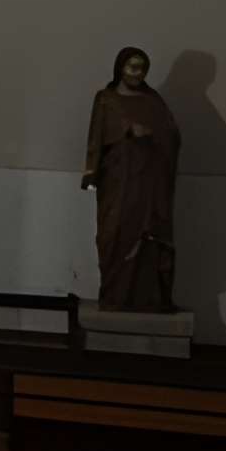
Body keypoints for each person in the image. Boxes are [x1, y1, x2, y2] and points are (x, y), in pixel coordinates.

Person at [82, 47, 180, 311]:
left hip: (149, 185)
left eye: (142, 68)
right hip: (118, 184)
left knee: (149, 240)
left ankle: (150, 300)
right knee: (114, 236)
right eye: (132, 67)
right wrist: (127, 130)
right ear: (120, 67)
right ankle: (115, 297)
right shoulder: (106, 99)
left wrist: (155, 136)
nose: (138, 73)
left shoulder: (154, 101)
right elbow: (96, 137)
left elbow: (172, 135)